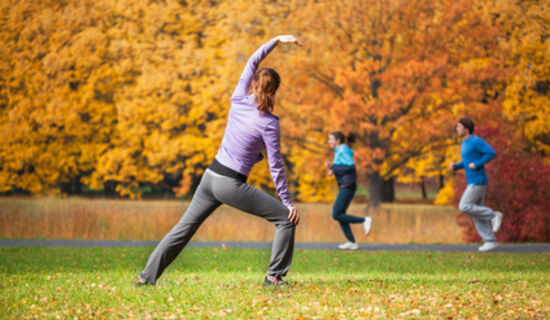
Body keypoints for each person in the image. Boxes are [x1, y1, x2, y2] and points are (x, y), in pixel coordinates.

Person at [135, 35, 303, 287]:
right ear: (275, 90)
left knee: (182, 231)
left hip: (209, 177)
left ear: (254, 84)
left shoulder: (237, 99)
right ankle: (274, 277)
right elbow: (275, 166)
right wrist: (287, 202)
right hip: (229, 183)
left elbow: (251, 61)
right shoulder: (269, 123)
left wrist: (275, 40)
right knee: (285, 219)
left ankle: (145, 278)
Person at [449, 117, 503, 252]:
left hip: (478, 181)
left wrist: (478, 164)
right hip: (473, 181)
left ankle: (493, 215)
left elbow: (491, 152)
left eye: (458, 126)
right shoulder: (465, 143)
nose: (457, 129)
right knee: (476, 212)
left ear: (466, 128)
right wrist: (456, 166)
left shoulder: (475, 141)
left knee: (464, 206)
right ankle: (490, 241)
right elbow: (467, 161)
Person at [325, 131, 372, 250]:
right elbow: (343, 166)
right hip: (345, 185)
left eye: (330, 139)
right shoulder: (340, 150)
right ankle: (352, 242)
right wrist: (333, 170)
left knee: (336, 213)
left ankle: (364, 220)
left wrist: (332, 167)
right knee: (340, 214)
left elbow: (350, 167)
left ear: (337, 140)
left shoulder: (343, 150)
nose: (329, 142)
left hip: (348, 185)